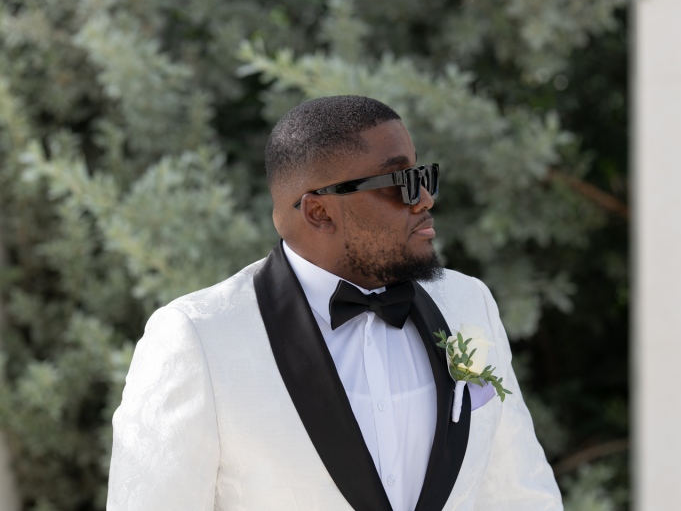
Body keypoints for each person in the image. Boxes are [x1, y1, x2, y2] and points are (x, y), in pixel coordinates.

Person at [107, 95, 563, 511]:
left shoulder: (468, 303)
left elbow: (519, 492)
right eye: (401, 181)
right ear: (319, 212)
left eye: (423, 175)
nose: (424, 198)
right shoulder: (198, 339)